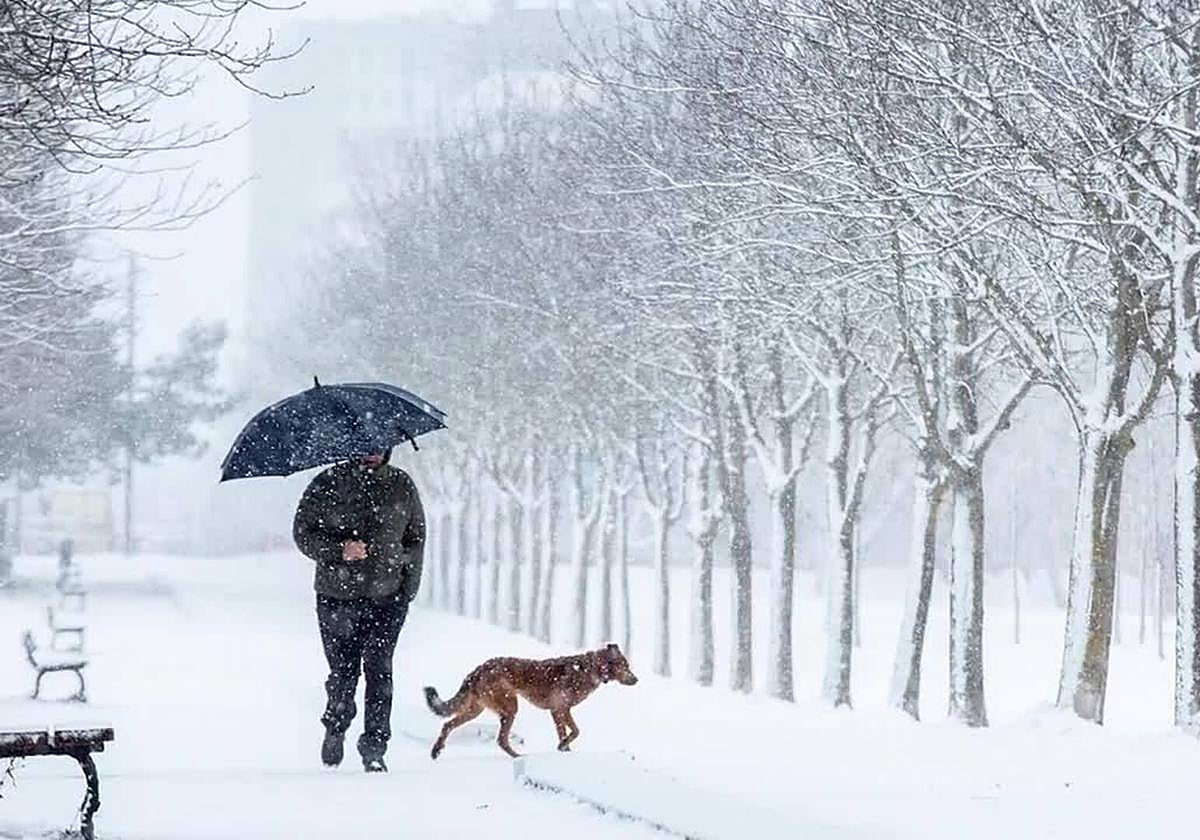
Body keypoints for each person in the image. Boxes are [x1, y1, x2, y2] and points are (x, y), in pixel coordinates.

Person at [292, 448, 425, 772]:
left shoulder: (401, 485)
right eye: (365, 447)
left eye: (379, 446)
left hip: (388, 597)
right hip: (337, 596)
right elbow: (303, 534)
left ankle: (375, 748)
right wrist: (339, 550)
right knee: (343, 672)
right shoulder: (327, 483)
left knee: (380, 671)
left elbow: (416, 539)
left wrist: (407, 590)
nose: (372, 453)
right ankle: (336, 725)